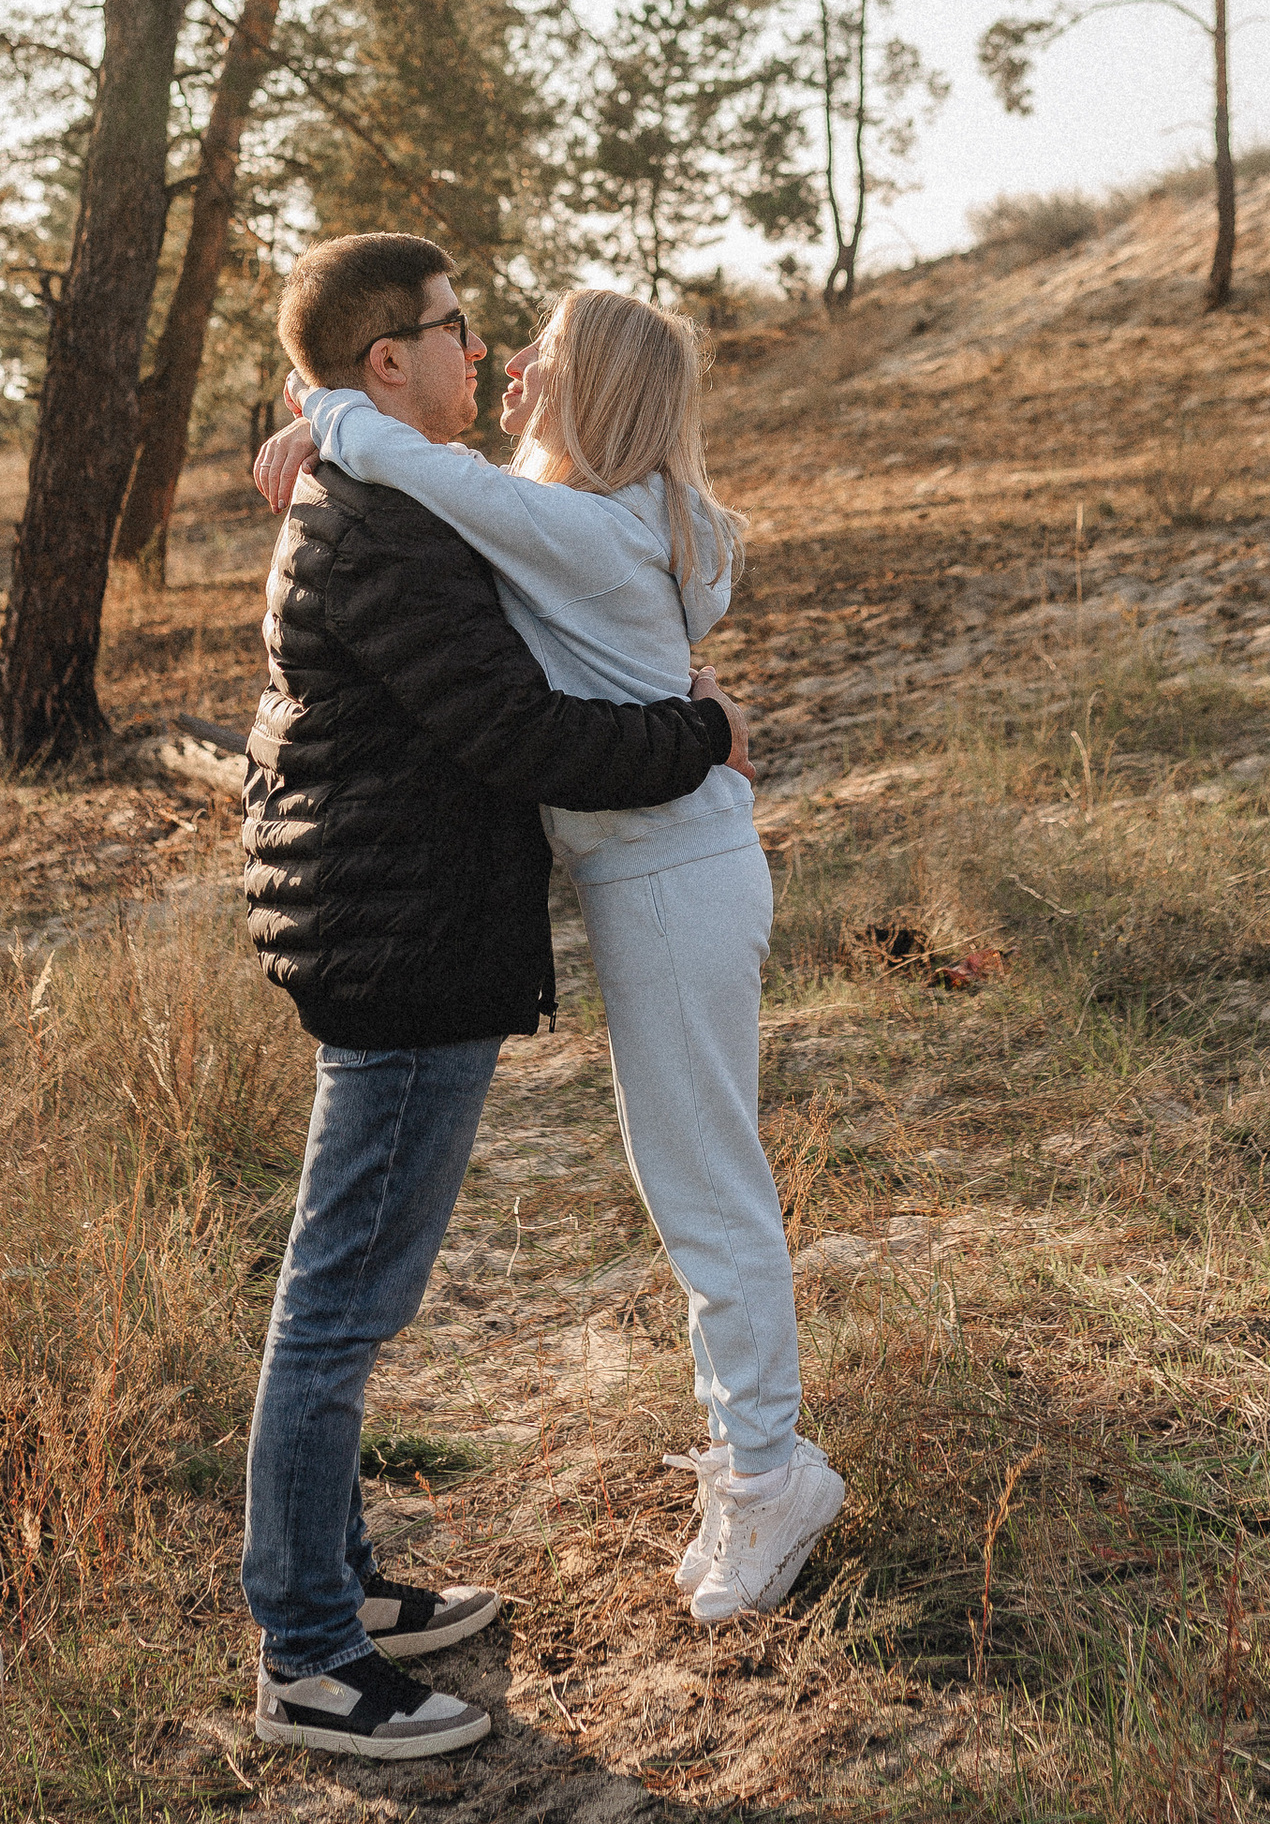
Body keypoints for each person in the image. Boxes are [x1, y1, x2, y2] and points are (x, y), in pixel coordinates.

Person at [265, 283, 845, 1628]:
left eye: (545, 351)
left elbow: (418, 464)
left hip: (671, 874)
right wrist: (329, 433)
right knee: (690, 1178)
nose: (512, 363)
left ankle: (772, 1471)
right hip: (664, 872)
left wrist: (325, 408)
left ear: (597, 391)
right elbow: (442, 485)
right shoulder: (608, 516)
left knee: (707, 1188)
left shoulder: (582, 526)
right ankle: (754, 1455)